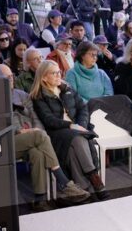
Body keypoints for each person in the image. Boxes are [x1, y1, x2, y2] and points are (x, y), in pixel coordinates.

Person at [29, 60, 108, 200]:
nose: (59, 75)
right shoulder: (39, 96)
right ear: (44, 77)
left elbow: (83, 107)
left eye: (59, 72)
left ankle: (82, 188)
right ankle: (94, 178)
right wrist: (70, 126)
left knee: (75, 144)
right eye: (54, 73)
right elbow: (49, 120)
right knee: (77, 138)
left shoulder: (67, 88)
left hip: (76, 130)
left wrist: (81, 124)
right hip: (57, 133)